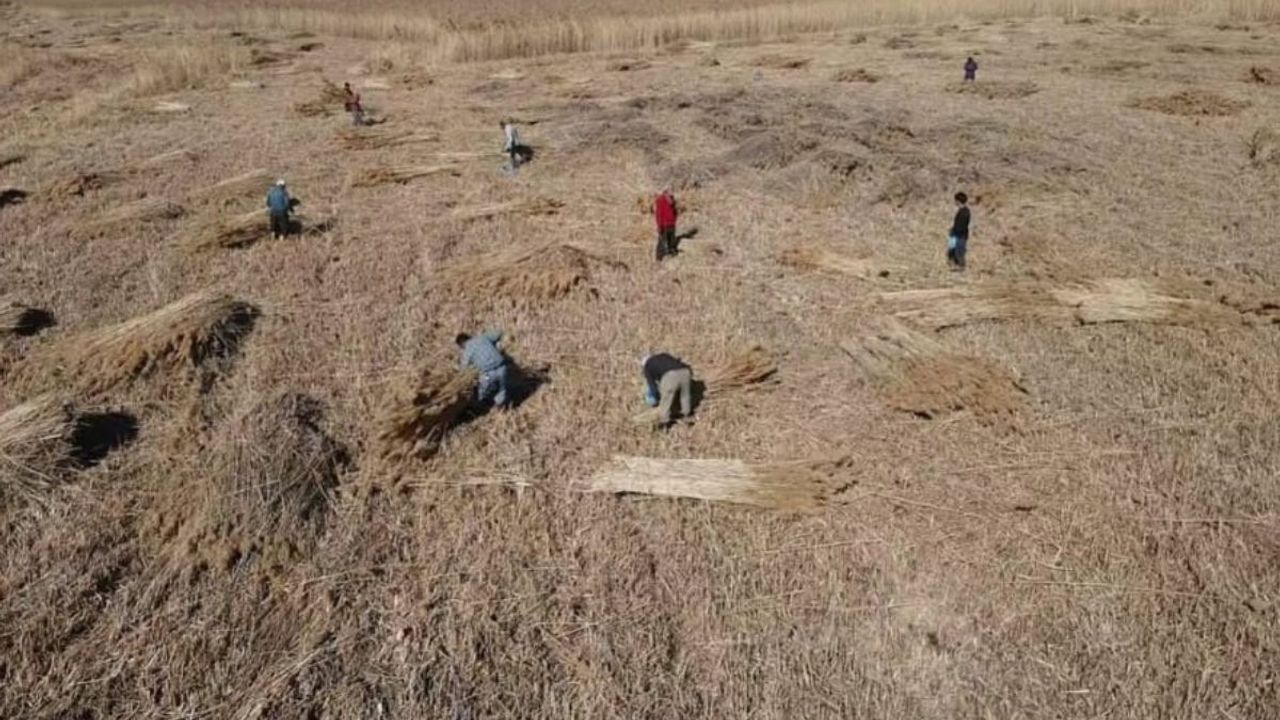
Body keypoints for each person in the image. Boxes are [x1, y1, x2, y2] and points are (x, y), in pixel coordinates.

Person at [457, 330, 510, 409]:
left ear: (462, 344)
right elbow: (499, 333)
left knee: (482, 391)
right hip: (502, 368)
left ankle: (483, 406)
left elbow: (463, 368)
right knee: (502, 389)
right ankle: (501, 406)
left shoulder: (467, 350)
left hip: (488, 374)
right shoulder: (483, 337)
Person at [642, 352, 693, 427]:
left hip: (671, 375)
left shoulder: (647, 366)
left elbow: (652, 386)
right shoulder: (664, 355)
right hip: (685, 372)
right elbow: (679, 362)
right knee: (685, 396)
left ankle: (665, 421)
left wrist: (657, 397)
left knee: (666, 398)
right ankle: (687, 416)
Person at [947, 192, 971, 270]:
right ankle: (955, 265)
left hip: (960, 235)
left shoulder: (965, 212)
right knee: (953, 249)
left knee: (959, 251)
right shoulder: (963, 210)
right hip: (958, 234)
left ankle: (961, 266)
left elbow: (962, 225)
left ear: (958, 201)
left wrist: (955, 231)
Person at [654, 187, 679, 262]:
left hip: (671, 223)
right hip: (664, 225)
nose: (672, 192)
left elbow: (674, 211)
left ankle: (672, 253)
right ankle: (659, 257)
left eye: (672, 190)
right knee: (662, 241)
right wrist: (659, 226)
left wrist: (674, 220)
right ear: (666, 191)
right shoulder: (660, 200)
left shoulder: (672, 200)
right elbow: (658, 214)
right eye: (670, 190)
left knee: (672, 240)